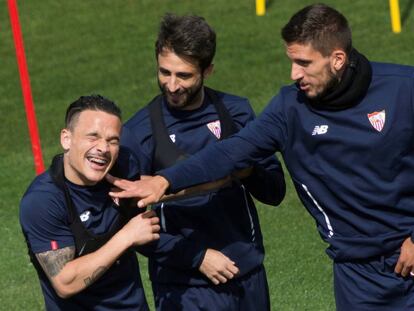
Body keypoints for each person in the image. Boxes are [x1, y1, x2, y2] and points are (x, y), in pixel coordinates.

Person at [109, 3, 414, 311]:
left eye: (304, 63)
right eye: (291, 61)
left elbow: (269, 186)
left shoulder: (403, 88)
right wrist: (165, 179)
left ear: (337, 59)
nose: (294, 74)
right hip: (356, 275)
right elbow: (230, 151)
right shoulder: (289, 108)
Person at [118, 13, 286, 311]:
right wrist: (197, 257)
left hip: (246, 274)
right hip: (184, 285)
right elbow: (129, 224)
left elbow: (274, 191)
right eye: (164, 72)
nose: (171, 85)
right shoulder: (139, 132)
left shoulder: (236, 112)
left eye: (184, 75)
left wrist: (242, 169)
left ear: (208, 70)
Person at [19, 95, 160, 310]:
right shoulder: (43, 201)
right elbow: (65, 283)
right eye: (92, 137)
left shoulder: (124, 166)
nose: (103, 148)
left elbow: (152, 189)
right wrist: (127, 236)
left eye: (113, 140)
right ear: (66, 139)